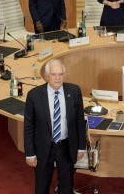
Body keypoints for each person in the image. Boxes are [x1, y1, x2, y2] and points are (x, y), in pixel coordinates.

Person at [24, 59, 86, 194]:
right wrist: (29, 153)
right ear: (47, 76)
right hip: (43, 147)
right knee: (42, 186)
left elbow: (80, 121)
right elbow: (29, 126)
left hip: (66, 146)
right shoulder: (34, 95)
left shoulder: (74, 91)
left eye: (60, 74)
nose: (58, 78)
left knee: (66, 186)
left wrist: (81, 147)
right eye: (53, 74)